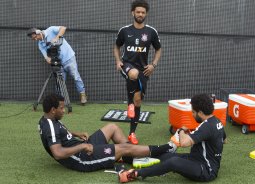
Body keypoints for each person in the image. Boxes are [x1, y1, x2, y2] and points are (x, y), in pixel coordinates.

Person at [38, 93, 177, 172]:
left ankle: (132, 157)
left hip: (83, 147)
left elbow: (60, 133)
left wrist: (76, 134)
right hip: (83, 159)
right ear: (52, 110)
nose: (64, 110)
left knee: (112, 127)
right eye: (61, 108)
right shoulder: (49, 126)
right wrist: (83, 146)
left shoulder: (48, 119)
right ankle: (168, 147)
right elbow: (57, 153)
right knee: (124, 147)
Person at [119, 93, 227, 183]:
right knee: (167, 156)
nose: (192, 114)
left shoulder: (207, 126)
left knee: (173, 162)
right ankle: (127, 158)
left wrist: (180, 131)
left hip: (206, 170)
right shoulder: (216, 121)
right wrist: (200, 137)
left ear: (200, 112)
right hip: (196, 159)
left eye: (193, 112)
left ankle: (137, 174)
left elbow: (184, 143)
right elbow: (224, 139)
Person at [113, 0, 162, 145]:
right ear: (132, 12)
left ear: (145, 14)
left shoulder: (151, 32)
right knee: (133, 74)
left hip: (144, 69)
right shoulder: (125, 30)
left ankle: (132, 133)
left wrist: (153, 64)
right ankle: (129, 104)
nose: (140, 14)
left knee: (138, 101)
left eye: (143, 12)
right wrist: (117, 61)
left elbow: (159, 49)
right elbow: (116, 46)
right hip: (127, 65)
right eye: (138, 12)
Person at [27, 26, 87, 105]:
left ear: (38, 32)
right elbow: (47, 58)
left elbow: (63, 28)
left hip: (69, 58)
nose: (35, 39)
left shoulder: (51, 30)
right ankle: (62, 102)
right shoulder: (40, 45)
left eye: (35, 37)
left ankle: (82, 95)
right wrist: (51, 60)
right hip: (58, 63)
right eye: (33, 39)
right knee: (60, 82)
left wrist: (56, 38)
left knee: (76, 76)